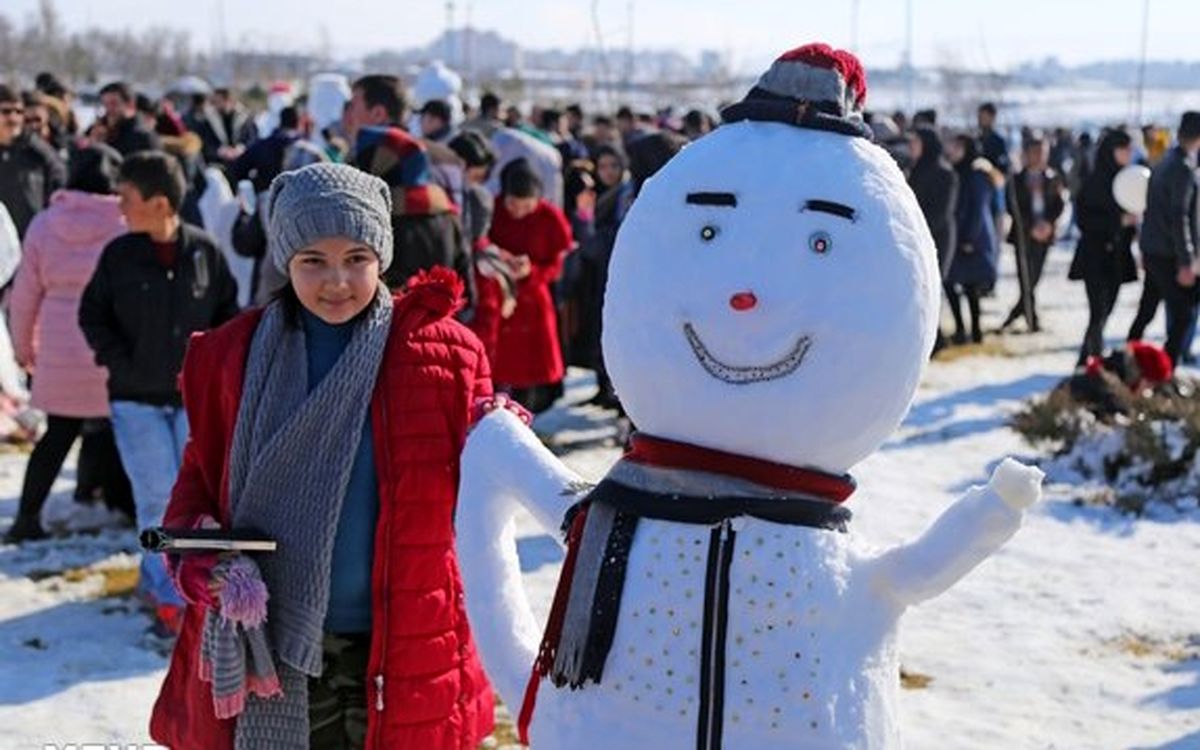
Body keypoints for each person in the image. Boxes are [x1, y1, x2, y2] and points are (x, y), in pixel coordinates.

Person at [148, 162, 495, 750]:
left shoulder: (442, 354)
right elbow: (196, 489)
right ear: (286, 260)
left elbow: (486, 482)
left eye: (356, 258)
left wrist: (503, 439)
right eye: (313, 260)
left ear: (382, 256)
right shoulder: (231, 356)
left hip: (405, 638)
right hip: (274, 638)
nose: (337, 281)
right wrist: (206, 565)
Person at [78, 151, 240, 632]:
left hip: (191, 402)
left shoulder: (204, 251)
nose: (120, 208)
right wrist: (119, 362)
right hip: (135, 401)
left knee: (197, 499)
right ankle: (167, 593)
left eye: (127, 198)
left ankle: (190, 581)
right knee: (155, 498)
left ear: (160, 202)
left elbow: (227, 318)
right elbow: (93, 316)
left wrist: (211, 373)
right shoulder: (118, 255)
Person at [5, 145, 134, 543]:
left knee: (58, 433)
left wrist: (22, 347)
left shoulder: (45, 223)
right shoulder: (126, 224)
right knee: (115, 429)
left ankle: (28, 516)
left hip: (59, 344)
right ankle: (121, 504)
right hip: (107, 342)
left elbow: (25, 294)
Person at [478, 158, 573, 413]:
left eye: (526, 206)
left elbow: (557, 263)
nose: (518, 211)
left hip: (533, 298)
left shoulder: (549, 217)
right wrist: (500, 258)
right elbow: (480, 244)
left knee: (529, 373)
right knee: (495, 367)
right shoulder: (492, 209)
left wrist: (533, 270)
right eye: (513, 205)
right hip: (497, 296)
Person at [1132, 112, 1200, 366]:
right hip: (1169, 253)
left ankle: (1130, 355)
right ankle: (1165, 367)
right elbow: (1179, 216)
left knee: (1147, 309)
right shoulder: (1182, 168)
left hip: (1154, 248)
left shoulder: (1164, 162)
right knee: (1183, 315)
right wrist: (1186, 260)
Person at [1068, 128, 1139, 366]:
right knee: (1098, 311)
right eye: (1124, 149)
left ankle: (1085, 358)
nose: (1129, 154)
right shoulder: (1094, 180)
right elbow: (1084, 219)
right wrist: (1117, 222)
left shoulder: (1128, 179)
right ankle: (1094, 361)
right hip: (1095, 256)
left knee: (1106, 310)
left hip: (1118, 256)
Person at [1001, 134, 1067, 332]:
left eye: (1043, 152)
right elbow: (1012, 207)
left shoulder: (1053, 177)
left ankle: (1019, 314)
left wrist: (1047, 223)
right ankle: (1031, 319)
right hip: (1023, 234)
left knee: (1034, 278)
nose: (1039, 157)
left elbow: (1059, 204)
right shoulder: (1016, 179)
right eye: (1035, 152)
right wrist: (1030, 227)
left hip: (1045, 233)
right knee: (1025, 278)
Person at [944, 134, 1001, 345]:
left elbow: (978, 209)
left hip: (972, 239)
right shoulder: (956, 171)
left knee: (971, 287)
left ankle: (975, 330)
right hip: (958, 235)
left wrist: (969, 238)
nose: (952, 150)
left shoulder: (976, 175)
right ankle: (961, 328)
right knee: (952, 283)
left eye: (958, 146)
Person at [906, 126, 959, 350]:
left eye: (915, 142)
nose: (911, 147)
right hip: (917, 236)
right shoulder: (915, 169)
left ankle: (936, 338)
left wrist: (918, 228)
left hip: (937, 237)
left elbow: (941, 212)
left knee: (933, 287)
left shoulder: (945, 173)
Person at [0, 84, 66, 239]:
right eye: (6, 111)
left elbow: (60, 187)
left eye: (19, 112)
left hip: (31, 240)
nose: (13, 118)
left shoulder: (39, 152)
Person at [195, 87, 259, 168]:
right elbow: (204, 144)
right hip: (217, 164)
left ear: (229, 100)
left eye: (218, 101)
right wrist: (219, 151)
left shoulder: (246, 118)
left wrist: (241, 149)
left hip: (243, 164)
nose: (215, 105)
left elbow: (253, 140)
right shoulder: (207, 121)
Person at [98, 81, 161, 156]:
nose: (109, 109)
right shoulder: (99, 129)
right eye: (105, 104)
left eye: (113, 104)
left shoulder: (144, 138)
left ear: (130, 104)